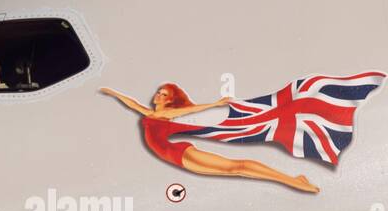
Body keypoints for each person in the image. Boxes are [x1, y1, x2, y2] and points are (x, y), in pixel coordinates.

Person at [98, 83, 319, 193]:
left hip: (178, 153)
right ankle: (294, 180)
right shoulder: (151, 113)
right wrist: (113, 93)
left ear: (170, 100)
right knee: (234, 170)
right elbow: (133, 104)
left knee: (237, 167)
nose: (158, 95)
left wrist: (215, 104)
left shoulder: (168, 114)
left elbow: (190, 110)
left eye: (163, 94)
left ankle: (294, 181)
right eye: (159, 92)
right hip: (175, 158)